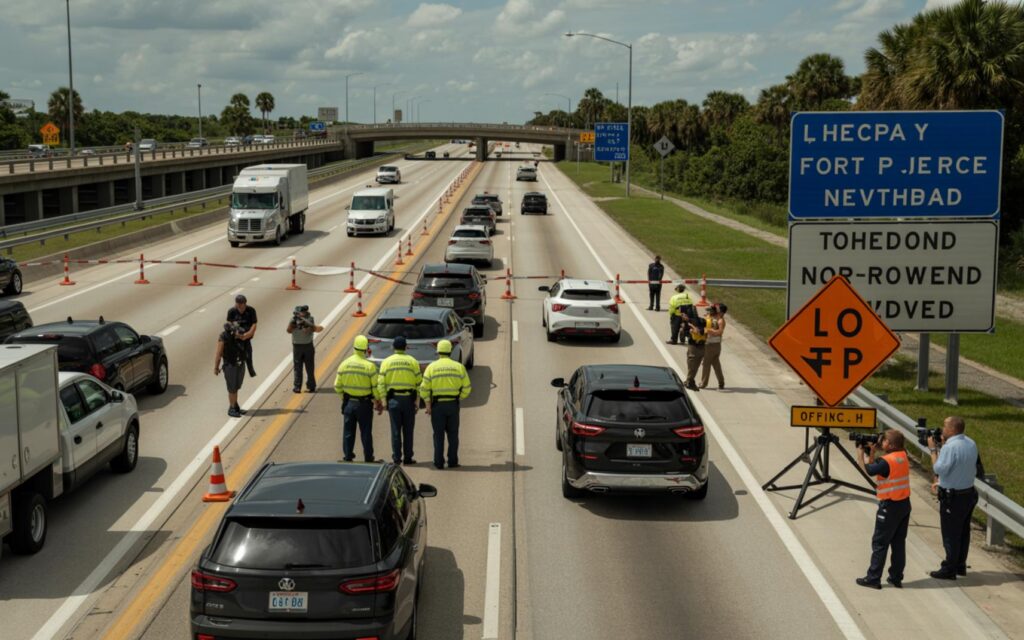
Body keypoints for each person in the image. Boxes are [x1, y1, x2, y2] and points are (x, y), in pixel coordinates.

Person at [855, 429, 911, 589]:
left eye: (884, 441)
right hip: (904, 505)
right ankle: (896, 577)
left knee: (880, 543)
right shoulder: (903, 455)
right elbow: (877, 466)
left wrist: (860, 453)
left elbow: (868, 470)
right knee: (898, 543)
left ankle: (873, 578)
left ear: (891, 445)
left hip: (889, 506)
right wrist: (872, 451)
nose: (881, 443)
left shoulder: (886, 461)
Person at [928, 416, 980, 580]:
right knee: (963, 532)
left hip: (954, 497)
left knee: (950, 534)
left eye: (944, 426)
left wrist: (933, 450)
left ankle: (949, 568)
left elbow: (939, 468)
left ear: (951, 429)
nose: (942, 429)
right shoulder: (971, 443)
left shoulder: (950, 448)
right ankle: (959, 565)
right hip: (968, 493)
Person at [419, 340, 472, 470]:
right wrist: (459, 397)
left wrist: (428, 404)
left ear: (438, 352)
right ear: (450, 351)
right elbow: (467, 387)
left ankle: (438, 462)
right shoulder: (459, 367)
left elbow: (424, 388)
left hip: (437, 406)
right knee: (453, 435)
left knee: (438, 435)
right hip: (453, 405)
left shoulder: (431, 367)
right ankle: (452, 461)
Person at [334, 335, 384, 462]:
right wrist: (378, 401)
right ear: (366, 349)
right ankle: (368, 457)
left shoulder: (344, 364)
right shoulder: (369, 366)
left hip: (349, 403)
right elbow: (375, 387)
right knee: (366, 432)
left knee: (348, 431)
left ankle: (348, 456)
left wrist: (344, 398)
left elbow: (337, 386)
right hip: (364, 404)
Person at [378, 336, 422, 465]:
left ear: (393, 347)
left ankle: (396, 458)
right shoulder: (413, 362)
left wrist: (384, 401)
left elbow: (381, 383)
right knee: (408, 431)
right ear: (406, 347)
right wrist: (417, 401)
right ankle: (408, 458)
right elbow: (419, 383)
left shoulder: (386, 362)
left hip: (393, 400)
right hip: (408, 400)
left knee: (395, 431)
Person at [214, 322, 247, 418]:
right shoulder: (224, 337)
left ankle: (235, 406)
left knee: (236, 386)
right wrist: (216, 367)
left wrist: (240, 337)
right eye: (235, 330)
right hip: (230, 366)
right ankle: (232, 408)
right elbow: (218, 354)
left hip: (240, 364)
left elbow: (246, 338)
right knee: (232, 388)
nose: (238, 332)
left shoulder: (240, 336)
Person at [287, 305, 322, 393]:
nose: (299, 315)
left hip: (308, 346)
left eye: (301, 313)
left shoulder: (310, 319)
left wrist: (305, 326)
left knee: (309, 367)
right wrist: (293, 325)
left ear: (305, 312)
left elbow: (310, 330)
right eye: (298, 313)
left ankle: (311, 386)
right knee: (297, 368)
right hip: (297, 346)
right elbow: (288, 330)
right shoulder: (293, 319)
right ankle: (297, 387)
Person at [226, 294, 258, 377]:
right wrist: (235, 332)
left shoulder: (251, 310)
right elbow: (229, 323)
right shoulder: (232, 311)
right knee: (236, 355)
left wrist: (250, 333)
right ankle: (237, 372)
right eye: (238, 304)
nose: (240, 306)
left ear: (245, 303)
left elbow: (254, 323)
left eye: (241, 304)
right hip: (236, 336)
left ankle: (251, 370)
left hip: (247, 335)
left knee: (248, 353)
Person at [700, 304, 727, 389]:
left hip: (712, 345)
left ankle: (703, 383)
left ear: (721, 312)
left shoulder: (720, 321)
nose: (715, 310)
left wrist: (710, 331)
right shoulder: (712, 317)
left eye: (717, 309)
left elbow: (720, 332)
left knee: (706, 364)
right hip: (713, 345)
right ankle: (721, 382)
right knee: (716, 364)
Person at [683, 310, 709, 391]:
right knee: (692, 365)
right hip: (697, 346)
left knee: (692, 365)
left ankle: (690, 381)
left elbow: (698, 331)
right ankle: (689, 381)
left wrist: (691, 327)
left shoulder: (696, 323)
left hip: (695, 347)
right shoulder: (703, 321)